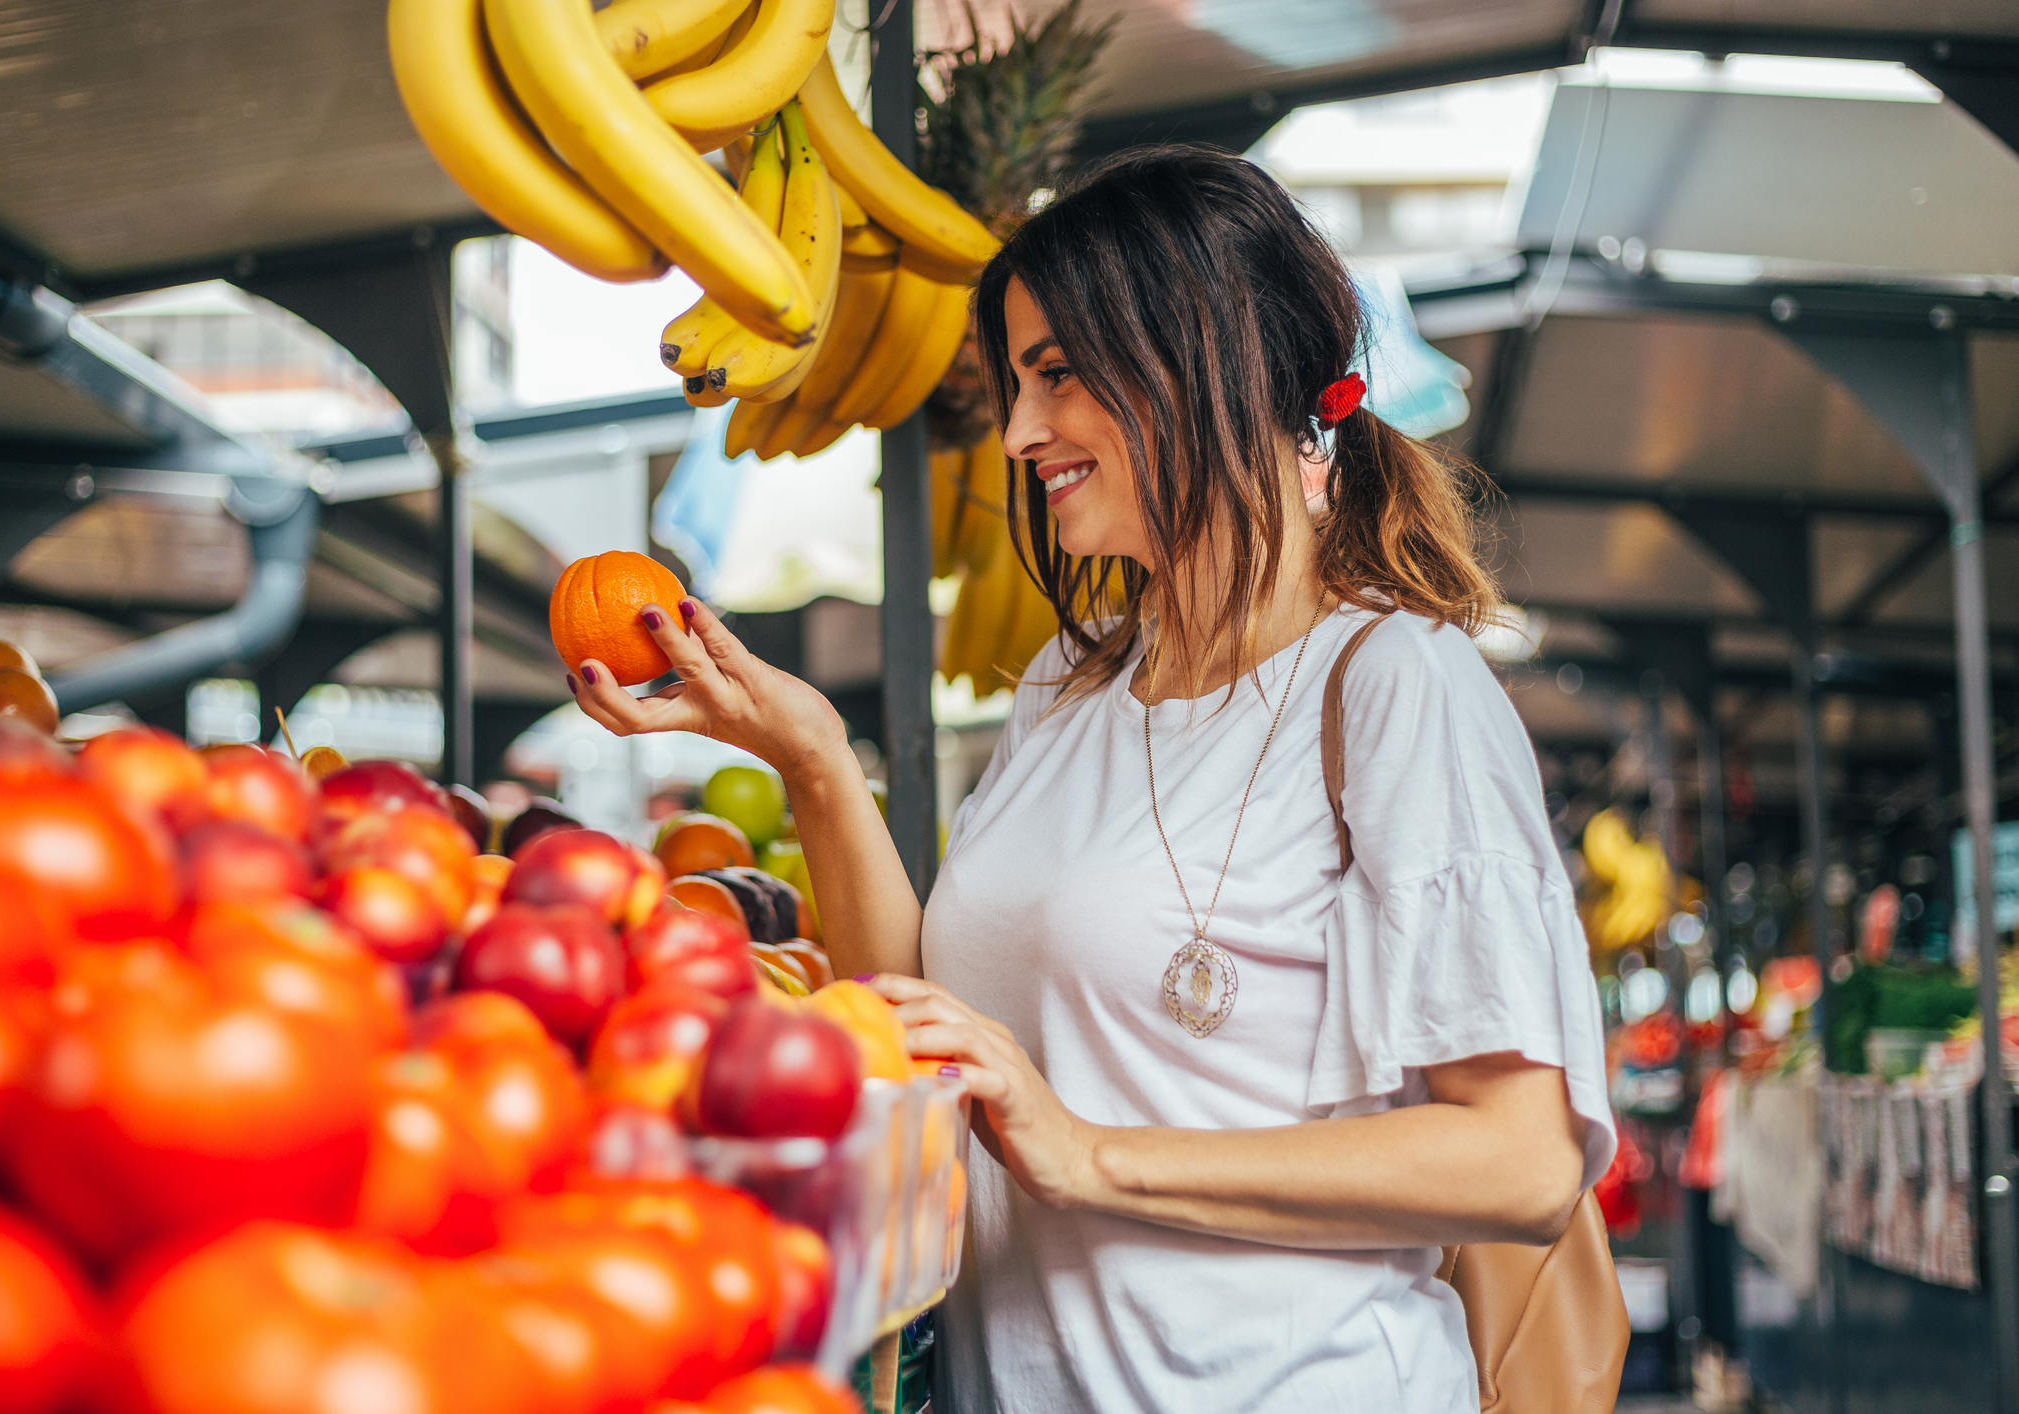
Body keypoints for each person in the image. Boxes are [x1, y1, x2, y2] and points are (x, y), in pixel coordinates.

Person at [567, 145, 1613, 1414]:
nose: (1018, 432)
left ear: (1208, 356)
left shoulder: (1397, 682)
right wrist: (812, 756)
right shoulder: (1071, 685)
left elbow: (1520, 1159)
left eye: (1057, 375)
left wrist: (1088, 1155)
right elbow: (930, 1018)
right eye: (1018, 382)